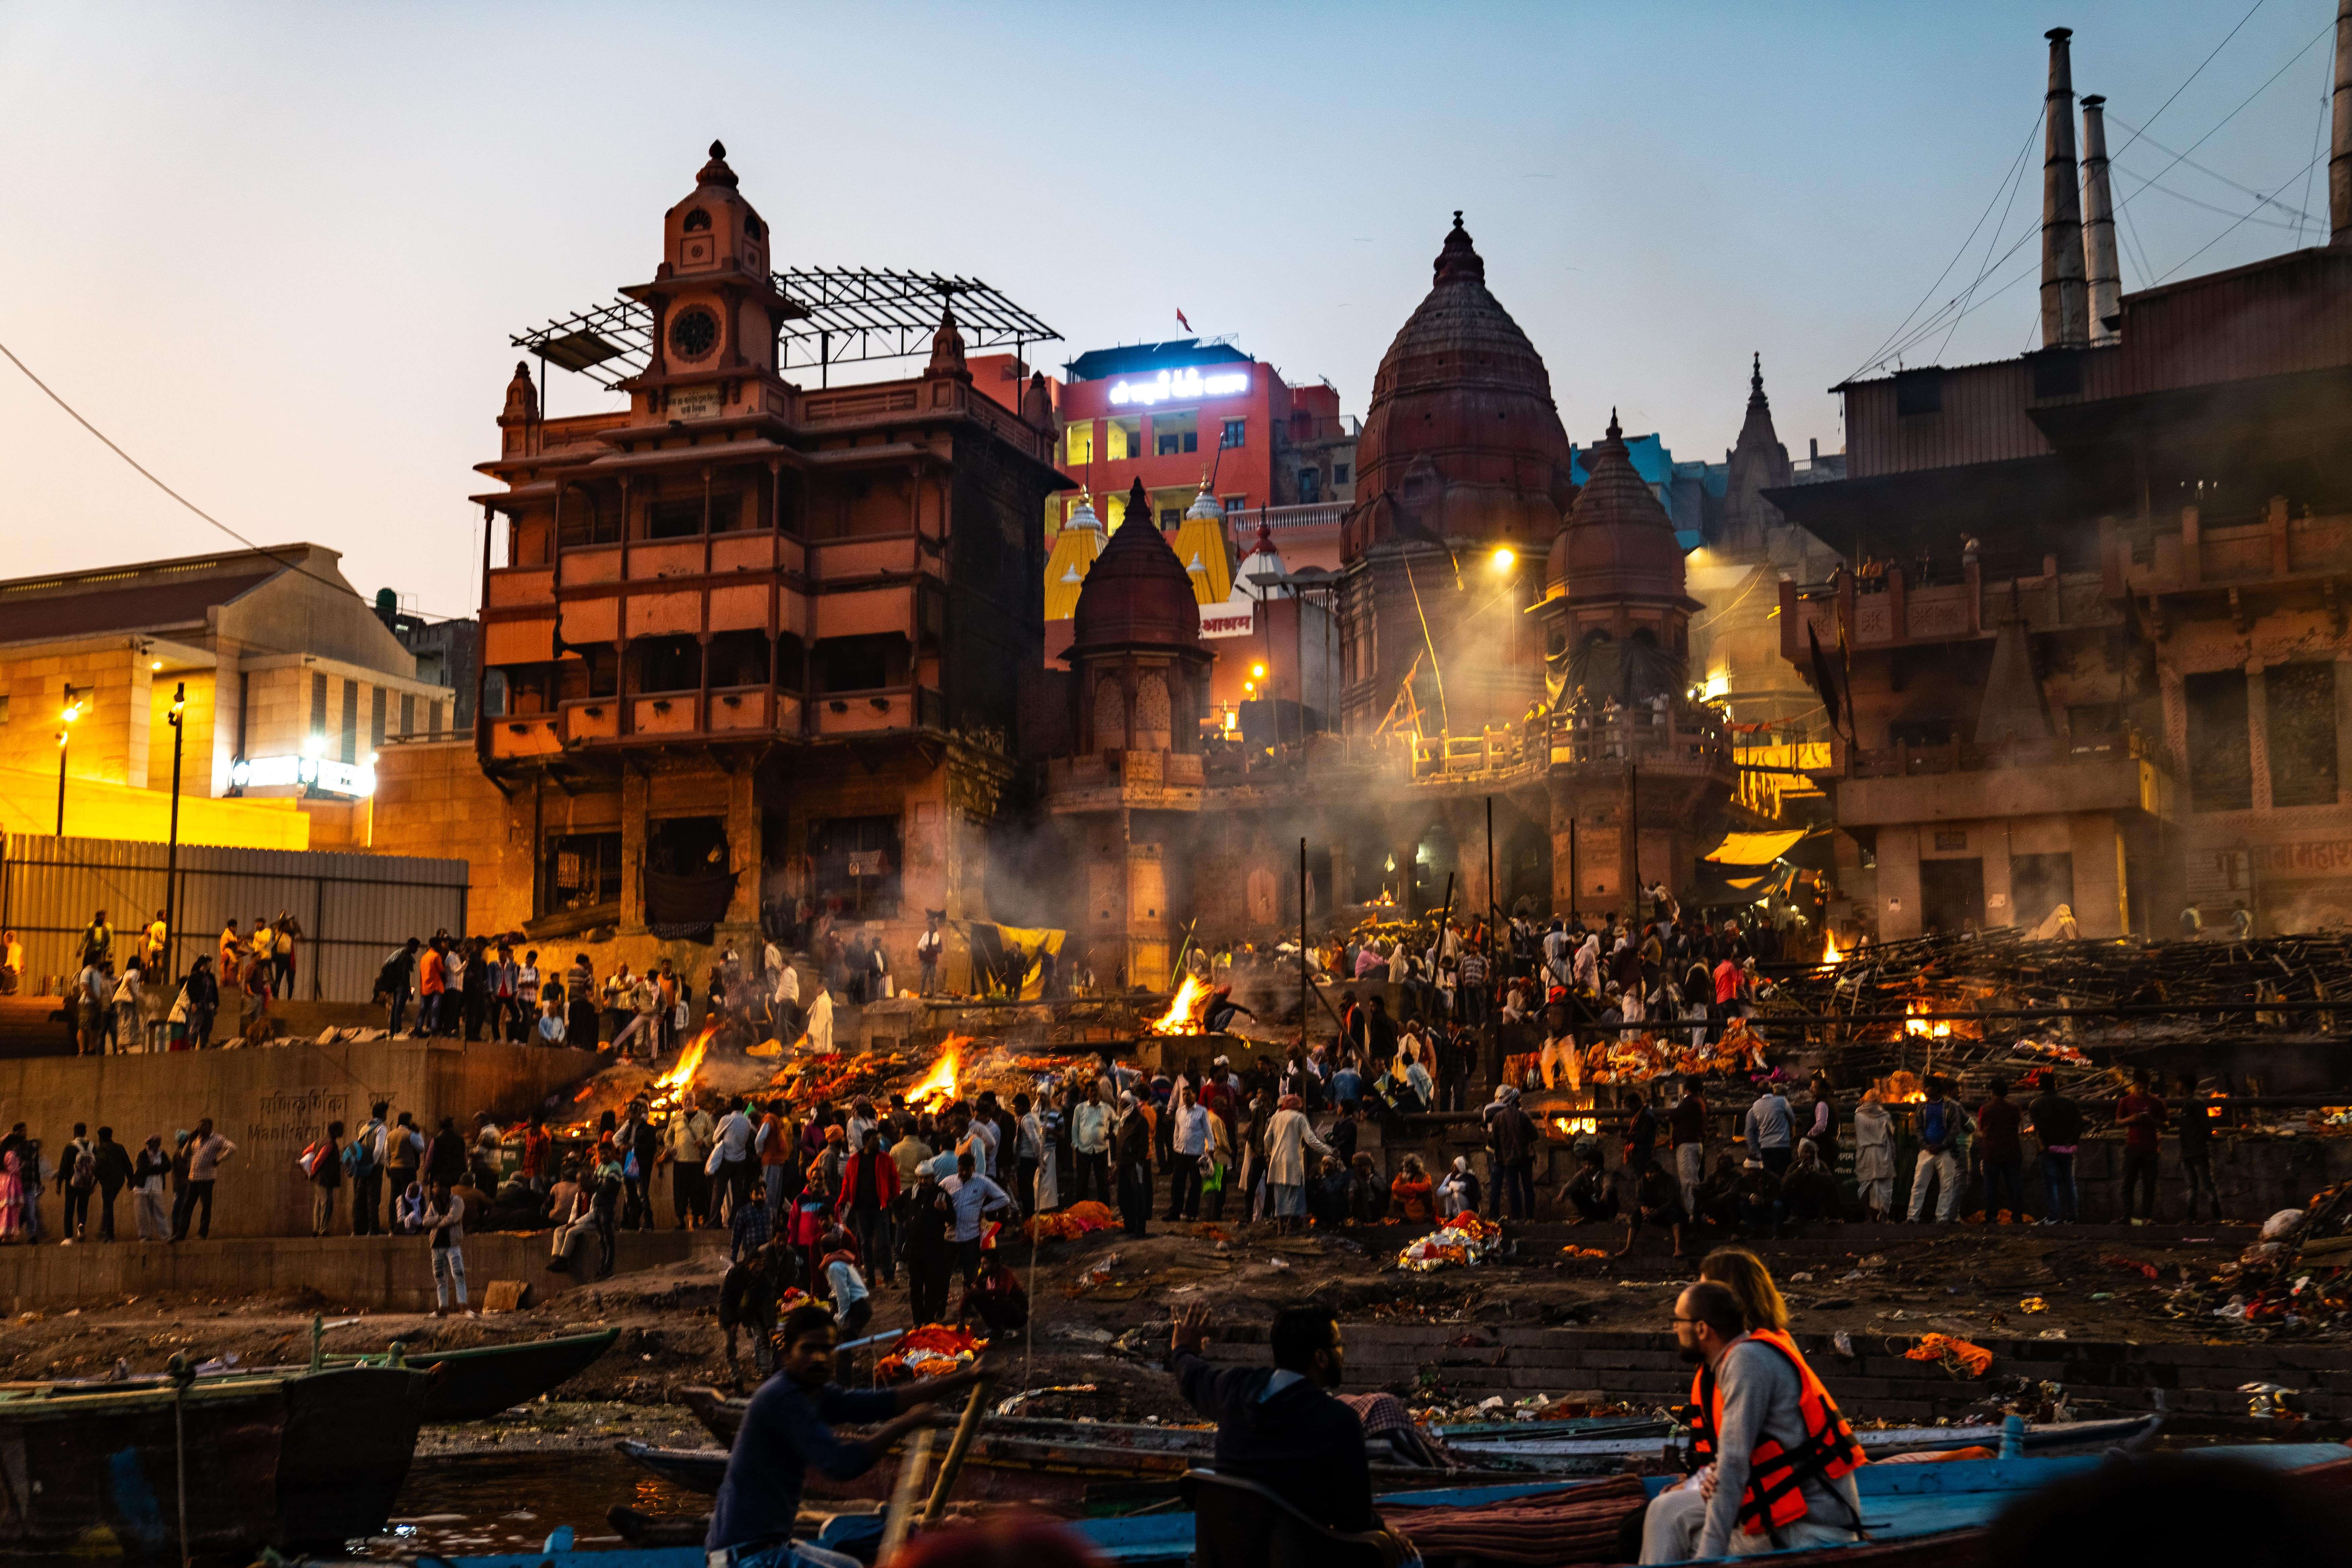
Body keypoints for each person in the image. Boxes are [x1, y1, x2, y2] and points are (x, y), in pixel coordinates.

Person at [703, 1303, 988, 1568]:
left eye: (826, 1350)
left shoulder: (814, 1392)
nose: (818, 1358)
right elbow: (841, 1465)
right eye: (808, 1349)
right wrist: (905, 1425)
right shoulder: (783, 1398)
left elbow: (883, 1403)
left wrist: (968, 1377)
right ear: (787, 1354)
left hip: (769, 1546)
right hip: (747, 1557)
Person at [1638, 1280, 1865, 1562]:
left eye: (1677, 1321)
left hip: (1811, 1529)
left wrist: (1708, 1558)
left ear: (1701, 1329)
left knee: (1685, 1541)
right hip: (1783, 1510)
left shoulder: (1745, 1361)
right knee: (1664, 1511)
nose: (1673, 1328)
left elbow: (1734, 1464)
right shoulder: (1742, 1357)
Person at [1168, 1302, 1385, 1537]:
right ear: (1321, 1358)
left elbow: (1193, 1376)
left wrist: (1182, 1350)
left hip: (1231, 1551)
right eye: (1339, 1346)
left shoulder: (1233, 1388)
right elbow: (1355, 1520)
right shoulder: (1339, 1421)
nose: (1342, 1352)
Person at [941, 1150, 1011, 1283]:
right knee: (945, 1273)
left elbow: (1004, 1199)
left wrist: (985, 1209)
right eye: (962, 1170)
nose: (964, 1174)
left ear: (974, 1168)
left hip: (971, 1237)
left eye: (968, 1170)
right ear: (958, 1168)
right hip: (950, 1236)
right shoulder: (947, 1182)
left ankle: (970, 1299)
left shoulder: (983, 1182)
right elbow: (936, 1197)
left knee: (971, 1275)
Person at [1904, 1078, 1962, 1223]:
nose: (1925, 1089)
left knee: (1946, 1185)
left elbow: (1955, 1129)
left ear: (1937, 1089)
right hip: (1928, 1150)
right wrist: (1925, 1144)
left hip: (1945, 1151)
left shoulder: (1951, 1107)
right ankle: (1912, 1217)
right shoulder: (1922, 1108)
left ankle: (1942, 1217)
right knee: (1919, 1185)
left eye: (1928, 1087)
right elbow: (1918, 1128)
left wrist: (1942, 1146)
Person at [2116, 1067, 2167, 1224]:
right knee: (2128, 1183)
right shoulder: (2125, 1101)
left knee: (2149, 1184)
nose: (2143, 1089)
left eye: (2146, 1085)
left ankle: (2147, 1217)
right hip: (2132, 1147)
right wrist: (2131, 1119)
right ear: (2135, 1085)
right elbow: (2118, 1122)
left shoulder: (2157, 1102)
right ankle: (2127, 1216)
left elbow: (2166, 1125)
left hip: (2151, 1148)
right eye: (2140, 1085)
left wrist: (2152, 1121)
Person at [175, 1119, 235, 1240]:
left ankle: (202, 1234)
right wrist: (190, 1140)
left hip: (207, 1179)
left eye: (203, 1127)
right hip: (193, 1178)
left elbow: (232, 1148)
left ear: (210, 1128)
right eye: (199, 1127)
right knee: (187, 1206)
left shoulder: (217, 1139)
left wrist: (220, 1159)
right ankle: (181, 1233)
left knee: (206, 1206)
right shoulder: (196, 1140)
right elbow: (184, 1155)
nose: (200, 1129)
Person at [2175, 1071, 2221, 1222]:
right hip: (2188, 1152)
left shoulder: (2195, 1104)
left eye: (2178, 1083)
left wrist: (2200, 1143)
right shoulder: (2188, 1105)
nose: (2176, 1086)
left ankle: (2216, 1217)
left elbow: (2205, 1127)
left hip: (2196, 1151)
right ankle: (2190, 1218)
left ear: (2183, 1085)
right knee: (2193, 1186)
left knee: (2205, 1184)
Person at [1976, 1077, 2025, 1221]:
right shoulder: (2015, 1108)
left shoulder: (1985, 1109)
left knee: (1991, 1186)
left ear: (1992, 1092)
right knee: (2014, 1186)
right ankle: (2017, 1216)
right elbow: (2018, 1125)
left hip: (1991, 1152)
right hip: (2012, 1151)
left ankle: (1991, 1216)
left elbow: (1981, 1128)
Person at [1486, 1087, 1538, 1220]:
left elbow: (1493, 1139)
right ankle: (1530, 1217)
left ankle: (1516, 1217)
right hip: (1525, 1158)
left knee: (1513, 1189)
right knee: (1528, 1188)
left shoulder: (1498, 1117)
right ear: (1516, 1101)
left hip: (1508, 1160)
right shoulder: (1523, 1116)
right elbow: (1535, 1136)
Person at [1621, 1155, 1689, 1257]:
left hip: (1666, 1211)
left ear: (1659, 1172)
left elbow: (1673, 1201)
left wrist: (1657, 1211)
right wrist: (1644, 1208)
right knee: (1636, 1215)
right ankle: (1628, 1248)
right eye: (1648, 1173)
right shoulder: (1643, 1181)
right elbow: (1639, 1198)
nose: (1649, 1176)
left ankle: (1678, 1247)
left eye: (1652, 1173)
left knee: (1675, 1213)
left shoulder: (1670, 1180)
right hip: (1650, 1213)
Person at [422, 1178, 471, 1316]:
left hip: (452, 1245)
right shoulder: (433, 1204)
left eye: (436, 1187)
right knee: (440, 1278)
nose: (433, 1190)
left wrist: (436, 1221)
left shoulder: (457, 1201)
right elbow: (426, 1221)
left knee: (459, 1275)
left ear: (444, 1188)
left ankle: (463, 1306)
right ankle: (443, 1308)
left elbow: (453, 1218)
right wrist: (440, 1218)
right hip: (436, 1246)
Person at [1851, 1091, 1894, 1222]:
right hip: (1882, 1152)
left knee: (1865, 1184)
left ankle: (1868, 1216)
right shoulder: (1886, 1115)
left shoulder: (1858, 1115)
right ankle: (1883, 1215)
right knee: (1885, 1186)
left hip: (1865, 1153)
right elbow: (1891, 1133)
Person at [1668, 1076, 1708, 1215]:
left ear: (1687, 1089)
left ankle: (1693, 1214)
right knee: (1692, 1179)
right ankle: (1694, 1212)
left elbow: (1673, 1116)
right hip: (1696, 1143)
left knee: (1689, 1182)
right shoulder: (1701, 1101)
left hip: (1688, 1145)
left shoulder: (1691, 1101)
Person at [1779, 1139, 1840, 1227]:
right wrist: (1798, 1172)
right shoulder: (1794, 1166)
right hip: (1800, 1204)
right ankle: (1796, 1217)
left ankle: (1825, 1216)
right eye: (1806, 1152)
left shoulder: (1820, 1165)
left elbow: (1830, 1180)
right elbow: (1784, 1183)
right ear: (1801, 1154)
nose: (1810, 1155)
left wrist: (1813, 1173)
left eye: (1812, 1152)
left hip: (1817, 1203)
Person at [1742, 1081, 1794, 1176]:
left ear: (1759, 1094)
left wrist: (1757, 1153)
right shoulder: (1783, 1101)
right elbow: (1793, 1120)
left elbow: (1748, 1133)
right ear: (1773, 1091)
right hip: (1783, 1147)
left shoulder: (1755, 1106)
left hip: (1766, 1149)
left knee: (1771, 1180)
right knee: (1785, 1177)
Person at [132, 1134, 172, 1241]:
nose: (157, 1145)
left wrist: (153, 1168)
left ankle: (166, 1236)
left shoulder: (162, 1154)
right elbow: (143, 1169)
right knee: (142, 1215)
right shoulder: (143, 1154)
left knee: (161, 1213)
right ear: (149, 1144)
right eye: (155, 1143)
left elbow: (168, 1167)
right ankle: (144, 1236)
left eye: (159, 1142)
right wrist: (159, 1169)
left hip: (157, 1188)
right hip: (142, 1189)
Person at [309, 1119, 345, 1236]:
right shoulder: (330, 1143)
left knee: (319, 1203)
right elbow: (319, 1160)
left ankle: (316, 1229)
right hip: (325, 1178)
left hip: (320, 1177)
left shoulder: (320, 1140)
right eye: (341, 1130)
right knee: (326, 1203)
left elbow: (308, 1152)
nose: (342, 1133)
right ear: (335, 1131)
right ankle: (322, 1230)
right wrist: (312, 1172)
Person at [1563, 1146, 1617, 1223]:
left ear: (1599, 1166)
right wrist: (1564, 1191)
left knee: (1611, 1192)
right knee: (1575, 1193)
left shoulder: (1606, 1173)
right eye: (1586, 1164)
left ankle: (1611, 1218)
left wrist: (1605, 1192)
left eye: (1590, 1165)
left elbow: (1608, 1183)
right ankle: (1588, 1217)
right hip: (1593, 1207)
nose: (1587, 1167)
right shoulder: (1583, 1173)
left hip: (1604, 1207)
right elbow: (1573, 1182)